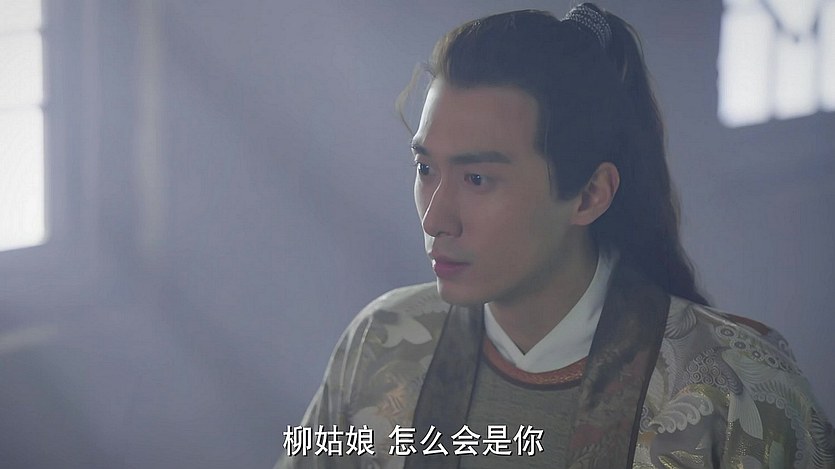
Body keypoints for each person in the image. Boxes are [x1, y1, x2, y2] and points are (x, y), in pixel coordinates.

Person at [277, 4, 835, 468]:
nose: (435, 220)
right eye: (425, 169)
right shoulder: (383, 344)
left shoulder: (734, 388)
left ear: (589, 194)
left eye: (477, 178)